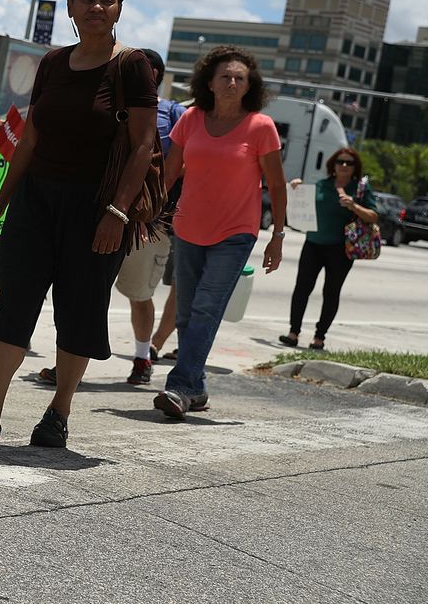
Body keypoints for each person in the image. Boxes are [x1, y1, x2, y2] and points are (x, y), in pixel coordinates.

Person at [0, 0, 157, 453]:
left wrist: (117, 213)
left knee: (78, 311)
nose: (97, 7)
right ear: (70, 8)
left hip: (96, 208)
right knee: (14, 305)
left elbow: (143, 146)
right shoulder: (52, 63)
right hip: (36, 201)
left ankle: (59, 412)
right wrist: (0, 203)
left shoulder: (133, 66)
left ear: (118, 9)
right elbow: (30, 139)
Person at [155, 45, 286, 421]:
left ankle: (178, 386)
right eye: (225, 76)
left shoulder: (261, 127)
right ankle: (195, 387)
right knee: (185, 313)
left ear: (249, 85)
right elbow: (169, 173)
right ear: (209, 82)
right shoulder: (191, 119)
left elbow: (276, 186)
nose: (231, 82)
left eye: (239, 78)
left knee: (207, 308)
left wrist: (277, 235)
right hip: (188, 227)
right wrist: (150, 213)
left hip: (235, 232)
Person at [112, 48, 184, 385]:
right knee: (84, 292)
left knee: (140, 294)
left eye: (148, 68)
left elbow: (191, 162)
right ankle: (71, 359)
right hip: (101, 210)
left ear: (156, 74)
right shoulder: (108, 104)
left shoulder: (174, 114)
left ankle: (142, 358)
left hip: (149, 220)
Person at [279, 148, 377, 352]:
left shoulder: (359, 189)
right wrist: (296, 188)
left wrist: (354, 206)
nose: (343, 165)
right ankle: (293, 332)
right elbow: (301, 206)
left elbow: (374, 216)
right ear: (332, 165)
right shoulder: (322, 185)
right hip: (313, 244)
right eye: (340, 161)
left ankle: (319, 337)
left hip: (341, 250)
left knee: (331, 292)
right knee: (302, 288)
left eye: (349, 163)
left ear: (354, 168)